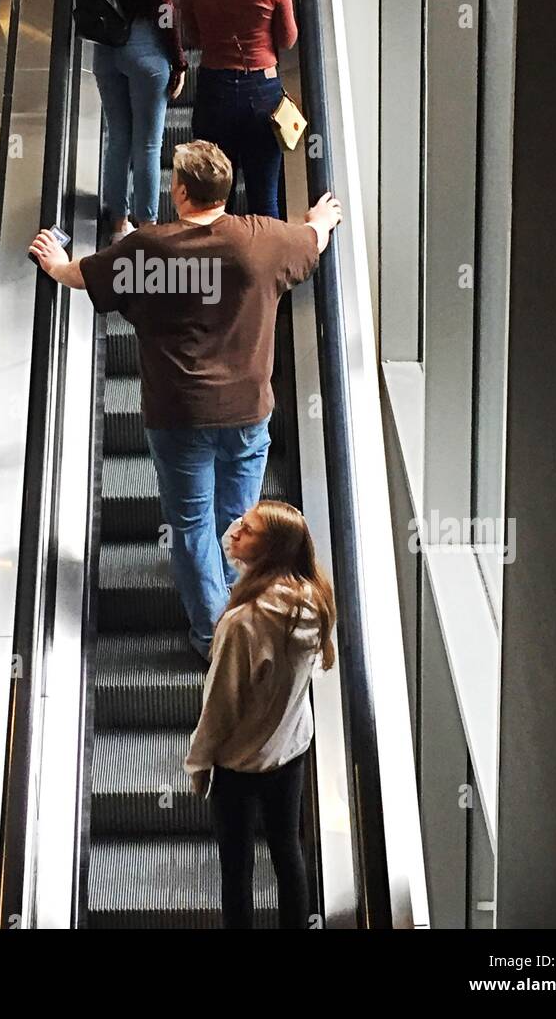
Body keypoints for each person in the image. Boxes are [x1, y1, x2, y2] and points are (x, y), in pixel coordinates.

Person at [29, 139, 342, 658]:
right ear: (226, 190)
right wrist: (321, 219)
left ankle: (210, 635)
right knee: (239, 519)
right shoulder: (260, 241)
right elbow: (312, 241)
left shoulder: (147, 250)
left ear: (179, 191)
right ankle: (239, 610)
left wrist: (58, 260)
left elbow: (79, 275)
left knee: (192, 524)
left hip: (177, 414)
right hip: (245, 409)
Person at [184, 500, 336, 929]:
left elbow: (221, 705)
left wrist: (198, 763)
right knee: (287, 850)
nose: (234, 533)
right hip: (290, 750)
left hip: (239, 764)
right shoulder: (313, 600)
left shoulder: (244, 623)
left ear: (268, 551)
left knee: (237, 868)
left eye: (247, 530)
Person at [57, 0, 185, 241]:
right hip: (146, 52)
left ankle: (117, 223)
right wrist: (178, 63)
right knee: (148, 143)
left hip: (108, 51)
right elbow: (165, 9)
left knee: (119, 138)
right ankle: (147, 226)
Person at [181, 0, 297, 218]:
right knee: (265, 197)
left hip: (213, 90)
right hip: (263, 92)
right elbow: (288, 38)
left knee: (213, 196)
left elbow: (191, 35)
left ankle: (220, 266)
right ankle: (266, 267)